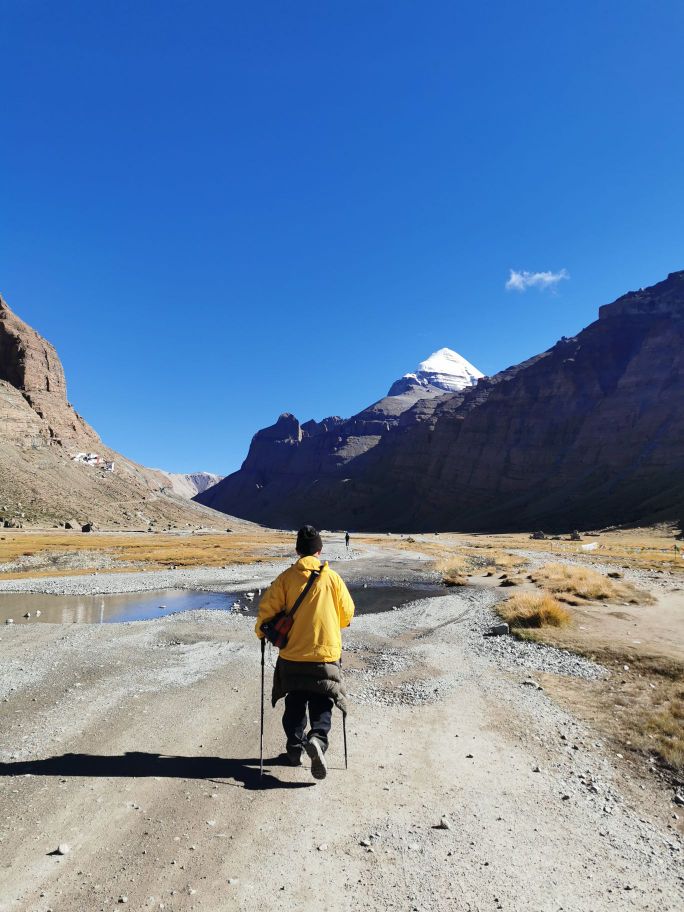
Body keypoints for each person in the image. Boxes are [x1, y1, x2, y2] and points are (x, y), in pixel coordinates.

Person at [255, 525, 355, 780]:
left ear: (298, 550)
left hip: (292, 656)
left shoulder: (286, 578)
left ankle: (294, 749)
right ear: (319, 550)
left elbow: (266, 611)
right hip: (325, 655)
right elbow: (347, 614)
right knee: (322, 700)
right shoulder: (333, 579)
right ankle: (318, 740)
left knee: (295, 702)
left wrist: (260, 633)